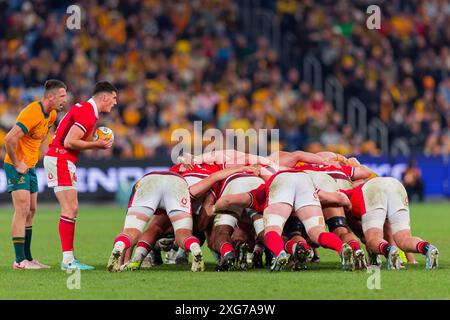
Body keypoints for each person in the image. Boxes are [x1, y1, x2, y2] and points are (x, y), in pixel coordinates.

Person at [44, 81, 117, 270]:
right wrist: (97, 144)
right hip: (61, 158)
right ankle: (68, 261)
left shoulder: (85, 109)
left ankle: (68, 259)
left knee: (71, 208)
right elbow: (70, 142)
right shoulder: (88, 113)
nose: (115, 102)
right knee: (70, 208)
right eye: (114, 98)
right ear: (104, 97)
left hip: (59, 158)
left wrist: (93, 140)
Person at [4, 79, 68, 269]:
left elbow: (36, 139)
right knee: (22, 210)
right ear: (50, 96)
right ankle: (19, 261)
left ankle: (28, 258)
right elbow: (9, 139)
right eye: (62, 96)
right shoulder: (32, 112)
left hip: (30, 166)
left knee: (31, 210)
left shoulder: (52, 114)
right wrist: (17, 163)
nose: (65, 99)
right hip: (17, 166)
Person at [341, 177, 439, 270]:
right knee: (404, 239)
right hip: (396, 185)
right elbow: (388, 232)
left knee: (373, 239)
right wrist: (411, 260)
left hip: (373, 191)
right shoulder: (354, 184)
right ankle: (428, 249)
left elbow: (364, 236)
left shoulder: (342, 197)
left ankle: (389, 250)